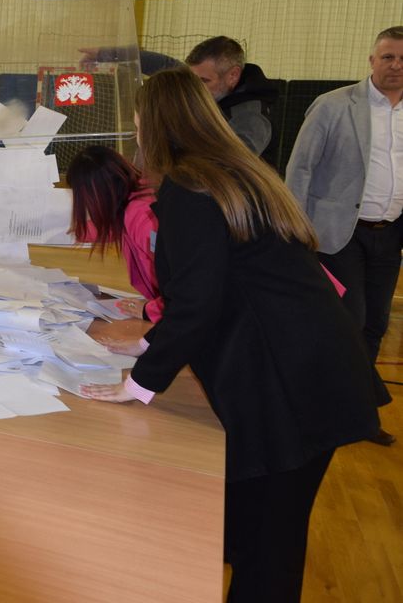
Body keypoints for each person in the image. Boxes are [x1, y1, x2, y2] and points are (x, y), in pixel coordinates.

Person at [79, 68, 380, 603]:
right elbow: (220, 286)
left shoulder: (190, 188)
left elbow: (198, 302)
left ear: (151, 122)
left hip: (293, 384)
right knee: (244, 523)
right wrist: (148, 342)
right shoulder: (228, 172)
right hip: (310, 366)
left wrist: (141, 383)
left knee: (270, 547)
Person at [285, 25, 403, 447]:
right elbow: (299, 168)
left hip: (390, 234)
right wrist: (296, 230)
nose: (396, 66)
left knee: (375, 324)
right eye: (388, 57)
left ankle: (359, 414)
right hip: (338, 234)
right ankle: (324, 407)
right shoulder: (334, 105)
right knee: (349, 321)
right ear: (372, 60)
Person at [66, 145, 162, 323]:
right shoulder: (131, 199)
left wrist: (150, 310)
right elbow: (108, 228)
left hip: (173, 313)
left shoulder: (143, 218)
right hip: (162, 306)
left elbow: (183, 285)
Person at [185, 36, 280, 162]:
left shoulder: (251, 116)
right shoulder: (216, 98)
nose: (195, 88)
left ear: (233, 75)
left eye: (204, 81)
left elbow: (230, 164)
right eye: (193, 80)